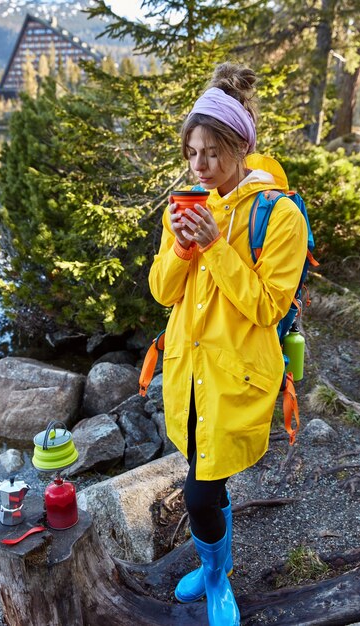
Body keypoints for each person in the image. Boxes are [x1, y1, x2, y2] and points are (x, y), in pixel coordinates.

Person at [148, 62, 308, 626]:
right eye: (192, 153)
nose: (200, 166)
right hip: (188, 374)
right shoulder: (191, 203)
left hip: (235, 377)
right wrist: (183, 249)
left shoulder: (279, 216)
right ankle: (224, 562)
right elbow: (162, 290)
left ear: (241, 147)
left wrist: (216, 247)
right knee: (202, 468)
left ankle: (217, 579)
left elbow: (268, 306)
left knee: (197, 493)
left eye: (212, 153)